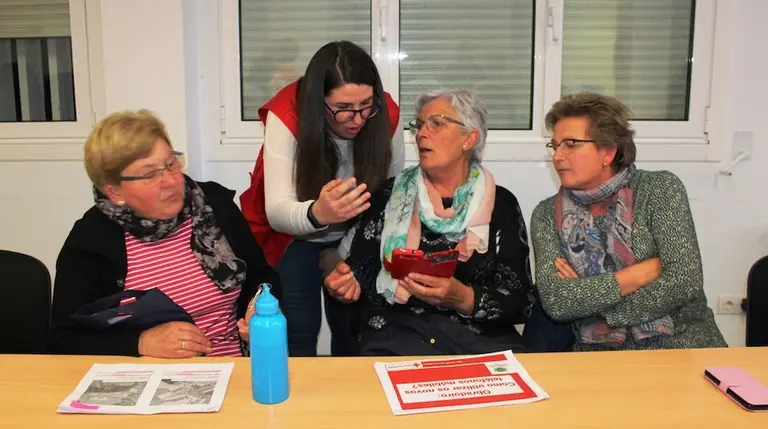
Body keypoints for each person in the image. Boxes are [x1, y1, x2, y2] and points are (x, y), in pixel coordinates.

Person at [49, 110, 280, 358]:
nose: (170, 181)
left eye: (170, 163)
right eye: (150, 174)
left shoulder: (214, 207)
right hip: (142, 382)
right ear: (115, 192)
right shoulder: (92, 240)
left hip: (232, 366)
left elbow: (263, 277)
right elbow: (64, 340)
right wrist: (140, 343)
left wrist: (259, 308)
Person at [323, 89, 533, 356]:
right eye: (419, 125)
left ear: (469, 139)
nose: (421, 133)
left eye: (437, 123)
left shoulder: (500, 204)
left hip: (478, 341)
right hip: (398, 338)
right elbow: (359, 278)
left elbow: (520, 301)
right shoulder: (387, 196)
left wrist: (463, 298)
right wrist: (344, 285)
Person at [240, 40, 404, 357]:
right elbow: (276, 211)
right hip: (289, 237)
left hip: (356, 236)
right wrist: (319, 213)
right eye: (342, 109)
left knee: (355, 329)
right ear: (318, 102)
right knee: (297, 331)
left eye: (366, 105)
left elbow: (390, 199)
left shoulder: (386, 114)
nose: (357, 119)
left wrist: (342, 253)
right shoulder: (288, 114)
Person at [530, 93, 727, 351]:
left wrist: (596, 308)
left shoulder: (660, 190)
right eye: (555, 146)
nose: (557, 157)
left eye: (571, 144)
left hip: (685, 346)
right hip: (599, 358)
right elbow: (558, 302)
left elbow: (683, 281)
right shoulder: (546, 215)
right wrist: (637, 275)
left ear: (608, 151)